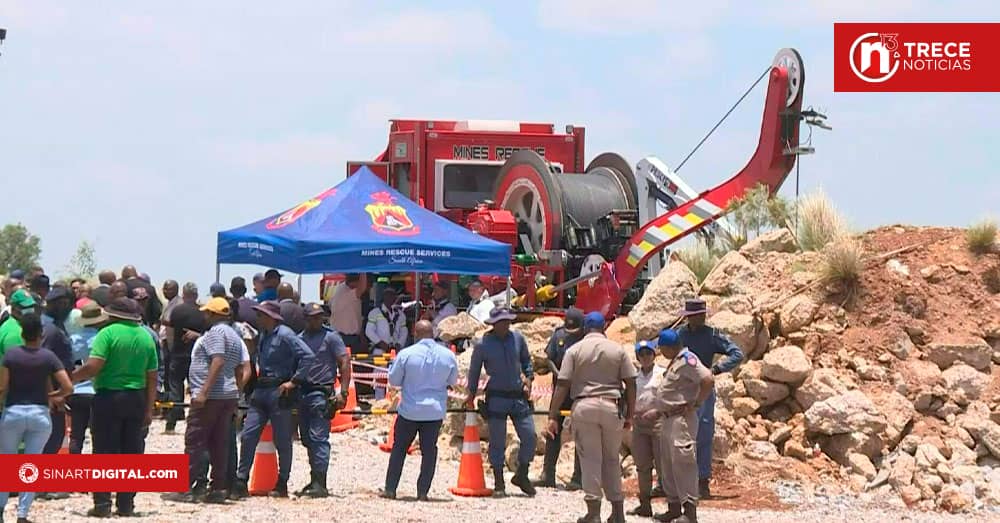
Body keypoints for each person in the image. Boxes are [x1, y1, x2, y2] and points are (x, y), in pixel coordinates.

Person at [544, 312, 637, 523]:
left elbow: (563, 383)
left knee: (590, 460)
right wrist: (630, 414)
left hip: (584, 405)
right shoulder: (618, 350)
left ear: (585, 328)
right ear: (604, 327)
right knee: (612, 460)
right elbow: (631, 382)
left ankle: (593, 512)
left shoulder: (574, 350)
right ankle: (617, 511)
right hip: (612, 406)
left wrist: (552, 415)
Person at [71, 298, 158, 518]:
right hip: (136, 399)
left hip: (109, 397)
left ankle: (102, 504)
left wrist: (70, 379)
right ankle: (126, 503)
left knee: (104, 451)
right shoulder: (146, 337)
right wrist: (149, 409)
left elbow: (93, 366)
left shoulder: (107, 334)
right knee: (131, 452)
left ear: (113, 315)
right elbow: (152, 377)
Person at [230, 301, 314, 499]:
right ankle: (242, 479)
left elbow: (308, 357)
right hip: (261, 390)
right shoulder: (264, 336)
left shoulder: (285, 334)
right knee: (248, 434)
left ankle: (282, 481)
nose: (257, 318)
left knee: (282, 439)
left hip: (278, 390)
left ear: (270, 317)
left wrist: (293, 382)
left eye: (261, 315)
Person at [0, 313, 74, 523]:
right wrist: (52, 396)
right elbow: (67, 386)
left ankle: (0, 510)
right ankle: (22, 514)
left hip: (13, 412)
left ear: (22, 333)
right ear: (41, 334)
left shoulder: (11, 356)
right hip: (39, 414)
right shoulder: (48, 357)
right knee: (31, 465)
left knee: (7, 462)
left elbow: (3, 387)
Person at [642, 328, 713, 523]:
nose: (661, 353)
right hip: (667, 418)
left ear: (668, 347)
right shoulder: (675, 362)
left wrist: (697, 403)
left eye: (662, 348)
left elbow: (707, 379)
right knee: (668, 465)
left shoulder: (688, 359)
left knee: (683, 464)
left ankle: (690, 512)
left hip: (681, 421)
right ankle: (673, 507)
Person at [178, 297, 245, 503]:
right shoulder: (234, 335)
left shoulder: (216, 333)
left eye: (207, 312)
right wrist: (236, 392)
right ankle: (218, 487)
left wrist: (203, 392)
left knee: (195, 440)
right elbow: (239, 367)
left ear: (214, 315)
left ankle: (186, 488)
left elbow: (218, 360)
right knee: (219, 443)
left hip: (211, 397)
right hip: (227, 395)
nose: (204, 315)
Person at [465, 306, 537, 497]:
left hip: (518, 396)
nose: (506, 325)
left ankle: (522, 473)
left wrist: (529, 378)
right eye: (502, 322)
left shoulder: (518, 339)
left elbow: (527, 361)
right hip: (496, 397)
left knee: (530, 436)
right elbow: (474, 371)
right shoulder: (483, 344)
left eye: (508, 321)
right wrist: (471, 394)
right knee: (497, 440)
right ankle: (499, 482)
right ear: (493, 324)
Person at [382, 320, 457, 500]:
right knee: (429, 451)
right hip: (434, 411)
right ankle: (422, 492)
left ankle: (391, 489)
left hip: (410, 410)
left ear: (415, 334)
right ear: (433, 333)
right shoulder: (448, 355)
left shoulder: (406, 354)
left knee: (399, 448)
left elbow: (394, 381)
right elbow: (453, 381)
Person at [676, 298, 743, 498]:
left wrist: (716, 369)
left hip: (703, 388)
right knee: (678, 433)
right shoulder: (680, 334)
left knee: (704, 433)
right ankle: (673, 481)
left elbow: (736, 353)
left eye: (701, 314)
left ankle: (702, 481)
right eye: (696, 315)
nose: (701, 318)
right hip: (682, 387)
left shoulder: (712, 335)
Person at [296, 303, 351, 498]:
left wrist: (343, 392)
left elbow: (344, 362)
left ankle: (321, 483)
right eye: (313, 317)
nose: (317, 320)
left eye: (319, 317)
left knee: (319, 438)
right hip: (302, 393)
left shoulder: (331, 337)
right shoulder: (299, 339)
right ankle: (315, 479)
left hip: (321, 393)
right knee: (307, 439)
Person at [533, 307, 585, 489]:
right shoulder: (559, 336)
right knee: (553, 429)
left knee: (581, 433)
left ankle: (578, 478)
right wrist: (560, 373)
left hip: (580, 390)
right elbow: (548, 358)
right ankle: (548, 475)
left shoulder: (587, 337)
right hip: (560, 391)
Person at [38, 286, 76, 500]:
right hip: (51, 393)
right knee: (52, 436)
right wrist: (55, 395)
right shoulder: (50, 330)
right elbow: (44, 364)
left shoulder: (54, 325)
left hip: (55, 390)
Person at [628, 339, 667, 517]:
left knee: (663, 465)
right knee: (642, 466)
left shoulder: (662, 374)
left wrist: (657, 411)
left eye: (648, 353)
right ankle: (645, 504)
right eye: (641, 354)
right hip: (639, 425)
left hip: (657, 423)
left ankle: (672, 507)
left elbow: (668, 397)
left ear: (654, 354)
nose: (645, 357)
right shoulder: (634, 376)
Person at [163, 283, 205, 432]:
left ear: (184, 294)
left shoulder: (177, 310)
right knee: (196, 389)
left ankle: (171, 423)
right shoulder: (202, 312)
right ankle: (195, 422)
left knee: (175, 388)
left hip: (178, 354)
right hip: (197, 356)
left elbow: (169, 326)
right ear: (196, 295)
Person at [67, 302, 108, 454]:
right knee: (99, 436)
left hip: (76, 390)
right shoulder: (103, 339)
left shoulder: (72, 340)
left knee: (76, 436)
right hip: (98, 391)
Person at [329, 273, 366, 351]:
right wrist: (364, 269)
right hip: (346, 339)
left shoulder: (339, 290)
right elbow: (362, 287)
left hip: (340, 336)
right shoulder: (348, 293)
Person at [0, 290, 36, 357]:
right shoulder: (15, 333)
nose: (30, 310)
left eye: (31, 306)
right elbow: (17, 362)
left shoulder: (11, 324)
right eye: (25, 307)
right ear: (13, 308)